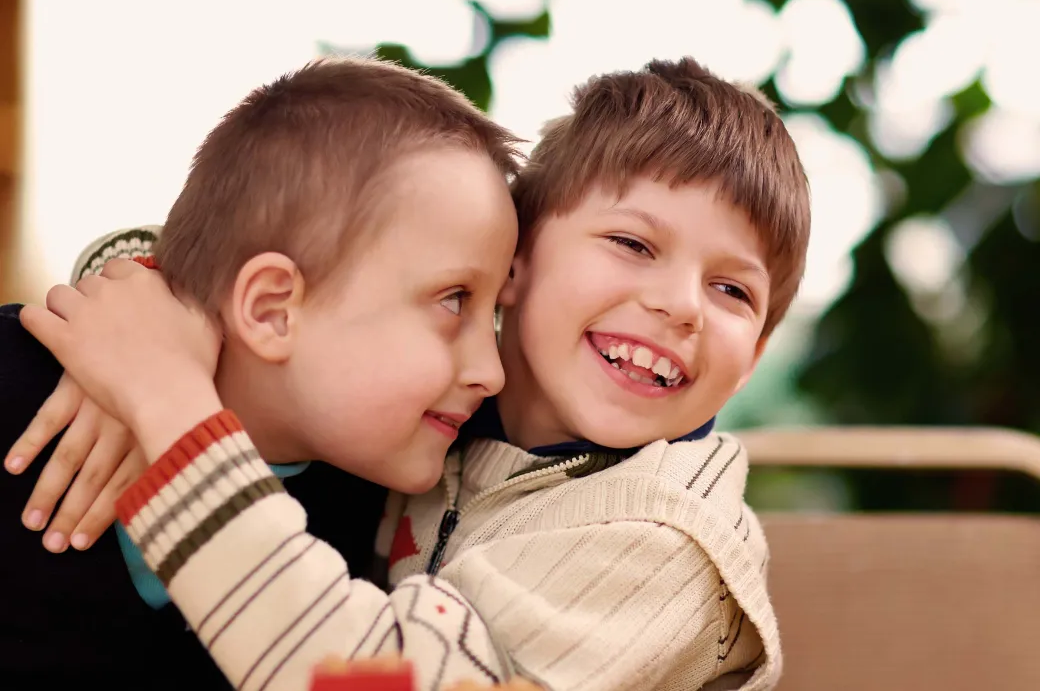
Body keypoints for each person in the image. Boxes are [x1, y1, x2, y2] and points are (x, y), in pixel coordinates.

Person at [25, 58, 810, 690]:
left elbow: (355, 675)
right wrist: (149, 304)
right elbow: (299, 255)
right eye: (634, 245)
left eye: (733, 291)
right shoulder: (450, 416)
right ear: (515, 261)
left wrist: (166, 396)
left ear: (755, 362)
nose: (681, 308)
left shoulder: (665, 546)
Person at [0, 56, 522, 689]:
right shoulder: (17, 385)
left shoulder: (385, 505)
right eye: (453, 300)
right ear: (272, 310)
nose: (492, 371)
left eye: (494, 314)